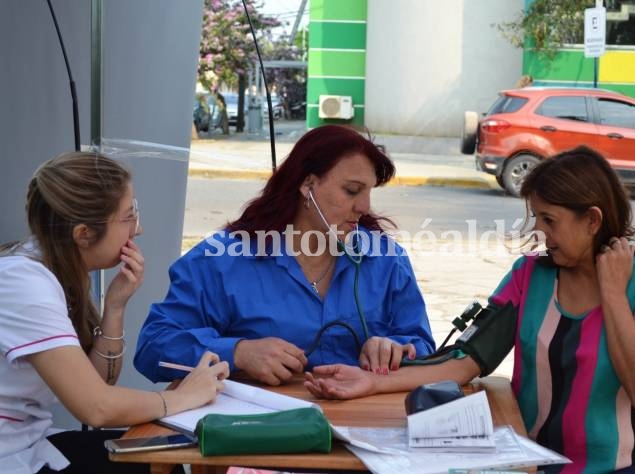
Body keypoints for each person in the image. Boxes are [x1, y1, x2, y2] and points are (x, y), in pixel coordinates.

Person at [304, 146, 635, 473]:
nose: (538, 232)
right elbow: (466, 362)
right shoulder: (530, 275)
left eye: (549, 220)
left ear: (592, 220)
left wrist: (613, 295)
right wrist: (370, 382)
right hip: (550, 461)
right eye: (536, 217)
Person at [134, 125, 435, 386]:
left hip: (365, 429)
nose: (364, 207)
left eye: (370, 192)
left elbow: (424, 347)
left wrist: (396, 348)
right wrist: (238, 352)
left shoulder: (385, 260)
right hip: (257, 435)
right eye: (352, 191)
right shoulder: (221, 260)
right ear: (307, 185)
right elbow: (153, 347)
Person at [0, 152, 229, 474]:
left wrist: (115, 307)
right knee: (159, 461)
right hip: (11, 455)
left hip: (28, 442)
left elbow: (94, 386)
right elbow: (96, 408)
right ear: (83, 234)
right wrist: (182, 397)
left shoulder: (51, 269)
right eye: (128, 217)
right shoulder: (23, 284)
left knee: (160, 454)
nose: (139, 229)